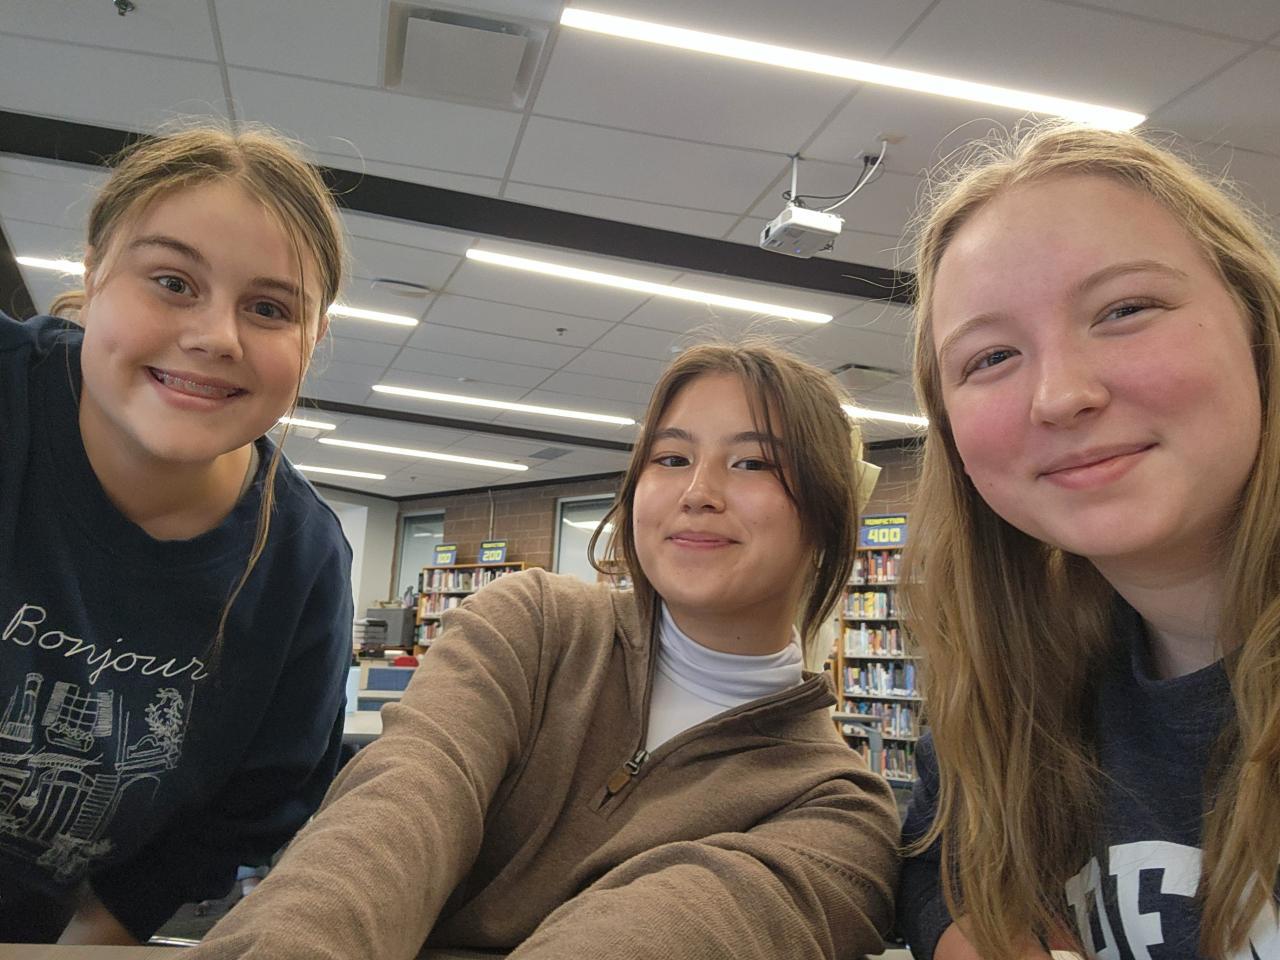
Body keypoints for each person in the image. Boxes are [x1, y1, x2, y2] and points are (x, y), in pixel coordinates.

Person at [188, 342, 900, 959]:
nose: (697, 491)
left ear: (828, 515)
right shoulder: (530, 626)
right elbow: (393, 815)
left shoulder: (835, 815)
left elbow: (661, 931)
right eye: (671, 457)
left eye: (751, 463)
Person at [897, 121, 1280, 960]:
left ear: (1257, 325)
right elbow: (936, 858)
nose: (1060, 395)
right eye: (991, 357)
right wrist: (971, 932)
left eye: (1126, 310)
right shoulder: (1018, 687)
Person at [0, 126, 354, 944]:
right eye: (172, 282)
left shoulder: (301, 566)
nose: (217, 336)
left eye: (269, 309)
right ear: (93, 271)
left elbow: (243, 813)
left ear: (312, 340)